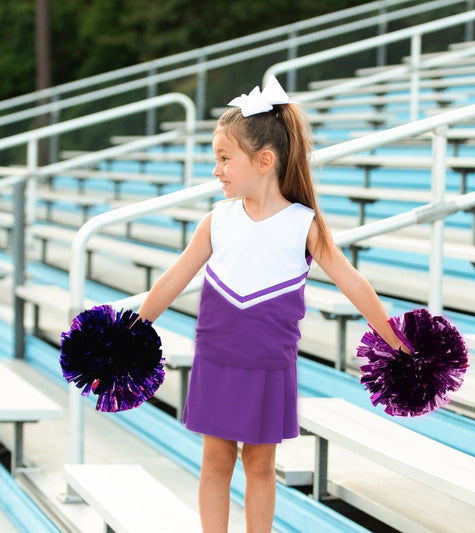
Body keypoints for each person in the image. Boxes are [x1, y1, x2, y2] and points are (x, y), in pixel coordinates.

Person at [137, 76, 409, 533]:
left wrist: (396, 340)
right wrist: (130, 331)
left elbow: (353, 283)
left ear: (264, 161)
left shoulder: (303, 224)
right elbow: (173, 279)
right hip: (217, 358)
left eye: (224, 159)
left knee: (260, 466)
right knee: (216, 460)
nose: (216, 170)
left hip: (269, 364)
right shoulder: (217, 220)